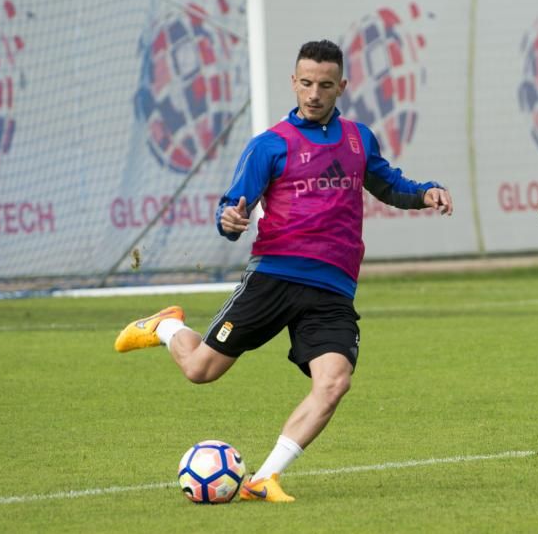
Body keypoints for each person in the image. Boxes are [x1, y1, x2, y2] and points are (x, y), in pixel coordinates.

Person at [114, 39, 453, 502]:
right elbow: (232, 209)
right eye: (307, 83)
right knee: (200, 370)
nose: (314, 94)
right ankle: (168, 326)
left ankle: (263, 478)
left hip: (333, 288)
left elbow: (389, 185)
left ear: (342, 87)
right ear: (294, 82)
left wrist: (426, 192)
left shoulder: (358, 139)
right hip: (274, 276)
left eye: (326, 85)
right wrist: (229, 221)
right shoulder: (269, 145)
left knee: (334, 382)